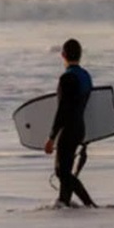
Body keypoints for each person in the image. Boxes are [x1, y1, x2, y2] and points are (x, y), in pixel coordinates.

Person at [44, 38, 97, 208]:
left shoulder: (67, 78)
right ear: (80, 56)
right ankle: (63, 203)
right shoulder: (86, 76)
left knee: (62, 172)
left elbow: (62, 111)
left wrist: (51, 137)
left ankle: (89, 204)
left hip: (68, 130)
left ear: (63, 55)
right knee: (65, 171)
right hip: (80, 128)